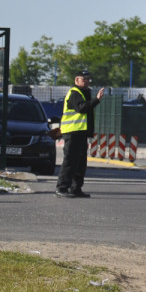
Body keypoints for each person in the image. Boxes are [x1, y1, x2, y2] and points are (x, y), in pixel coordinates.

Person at [56, 69, 109, 198]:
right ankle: (62, 188)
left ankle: (76, 189)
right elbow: (82, 108)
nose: (87, 82)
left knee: (80, 162)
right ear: (77, 80)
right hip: (73, 132)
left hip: (80, 133)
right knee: (70, 161)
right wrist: (96, 99)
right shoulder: (74, 93)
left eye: (88, 79)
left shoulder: (84, 92)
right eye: (84, 79)